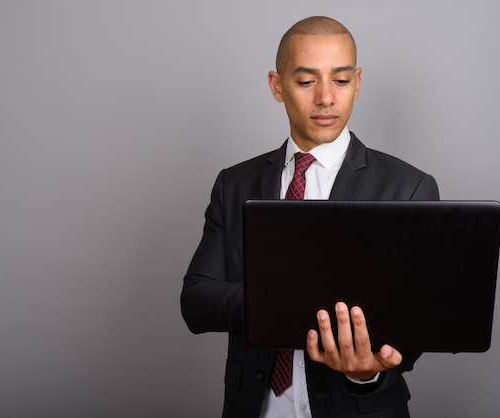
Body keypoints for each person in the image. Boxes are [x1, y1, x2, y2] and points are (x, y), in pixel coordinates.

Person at [180, 16, 439, 418]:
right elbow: (197, 301)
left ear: (357, 82)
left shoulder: (409, 187)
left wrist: (367, 370)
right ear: (277, 86)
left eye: (340, 80)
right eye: (305, 82)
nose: (325, 98)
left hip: (358, 407)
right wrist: (291, 300)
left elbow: (420, 321)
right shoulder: (234, 183)